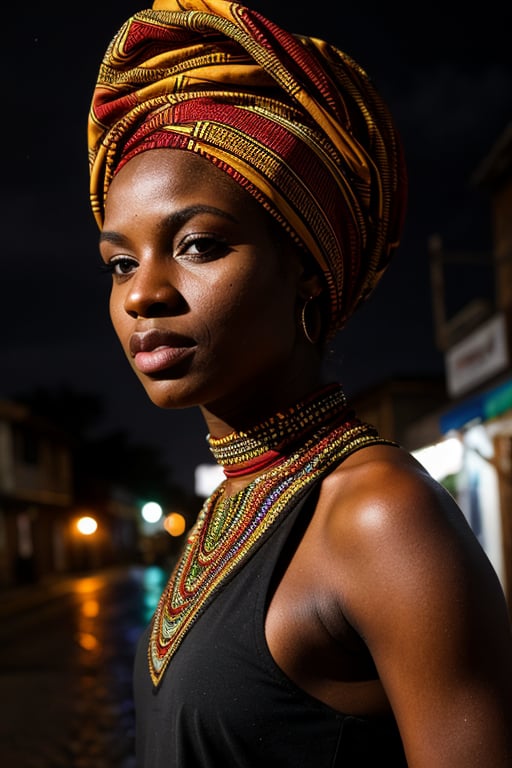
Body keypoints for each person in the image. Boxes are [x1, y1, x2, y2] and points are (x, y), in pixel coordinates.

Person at [87, 1, 512, 765]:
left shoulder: (380, 516)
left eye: (198, 245)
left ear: (309, 275)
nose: (142, 294)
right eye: (121, 261)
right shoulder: (229, 507)